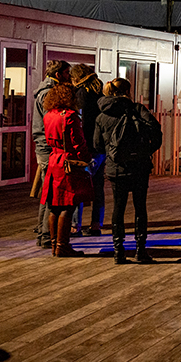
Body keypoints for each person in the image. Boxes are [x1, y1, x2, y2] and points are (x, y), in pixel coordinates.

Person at [94, 78, 162, 264]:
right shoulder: (137, 109)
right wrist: (147, 151)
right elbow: (157, 132)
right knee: (140, 207)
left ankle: (119, 251)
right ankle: (140, 250)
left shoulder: (102, 116)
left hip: (116, 167)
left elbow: (97, 145)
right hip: (139, 166)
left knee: (118, 207)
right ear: (127, 91)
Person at [40, 82, 92, 257]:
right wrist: (86, 159)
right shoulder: (70, 116)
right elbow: (78, 142)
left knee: (54, 205)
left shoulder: (48, 115)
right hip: (68, 161)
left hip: (54, 159)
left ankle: (55, 245)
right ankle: (63, 246)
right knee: (68, 205)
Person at [32, 60, 71, 248]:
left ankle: (44, 234)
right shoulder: (49, 94)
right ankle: (47, 235)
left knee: (48, 193)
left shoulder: (43, 91)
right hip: (49, 149)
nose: (69, 77)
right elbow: (53, 123)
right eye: (67, 73)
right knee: (52, 195)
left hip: (45, 147)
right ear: (58, 74)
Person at [70, 64, 105, 237]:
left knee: (80, 186)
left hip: (87, 146)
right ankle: (96, 224)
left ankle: (75, 225)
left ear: (77, 78)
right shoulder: (100, 93)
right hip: (101, 146)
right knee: (98, 186)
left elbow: (80, 122)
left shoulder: (81, 94)